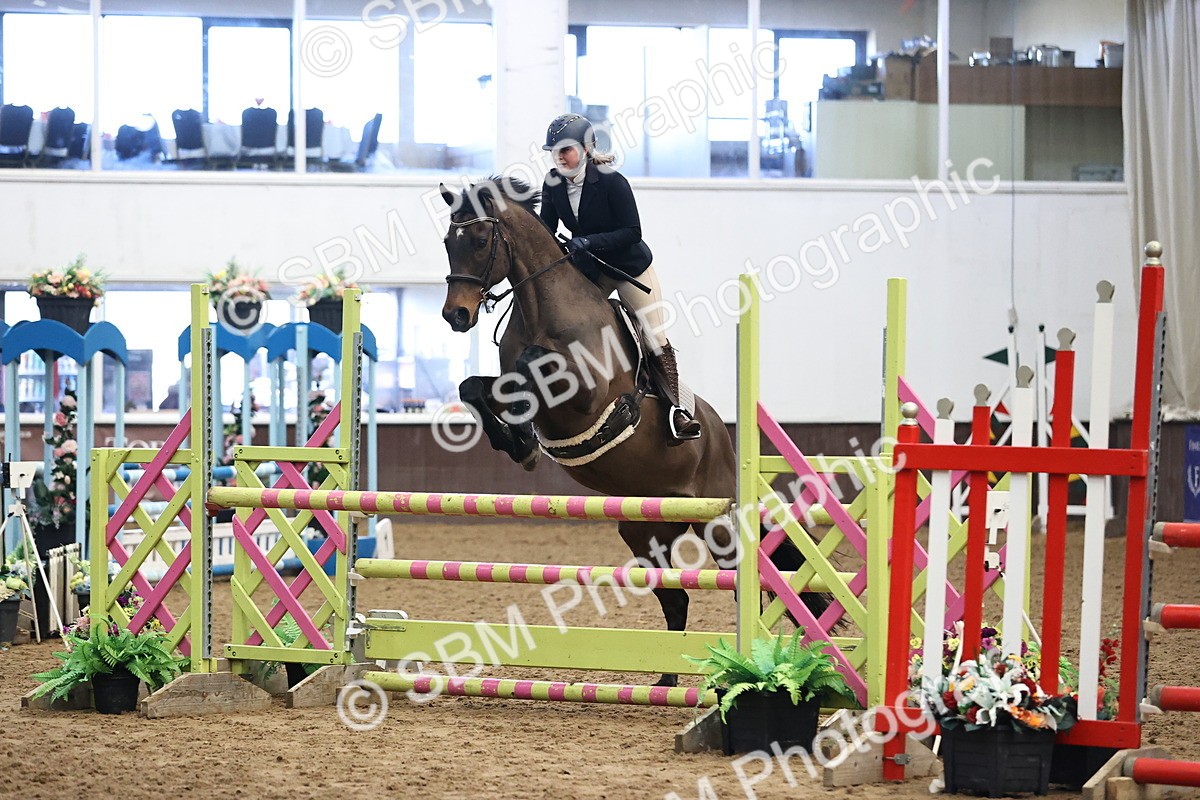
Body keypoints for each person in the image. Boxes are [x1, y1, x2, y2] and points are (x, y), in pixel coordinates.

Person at [538, 113, 702, 442]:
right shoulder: (553, 183)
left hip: (629, 269)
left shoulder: (612, 181)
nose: (559, 157)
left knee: (654, 337)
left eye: (566, 150)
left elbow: (632, 231)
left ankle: (677, 412)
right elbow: (546, 230)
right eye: (554, 151)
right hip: (593, 273)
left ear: (586, 149)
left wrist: (590, 241)